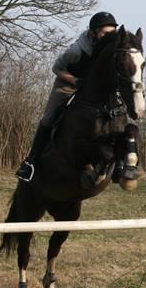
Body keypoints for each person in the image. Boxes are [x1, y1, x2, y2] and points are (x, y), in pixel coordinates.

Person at [15, 12, 119, 182]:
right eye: (105, 33)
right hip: (69, 84)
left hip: (94, 89)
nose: (110, 36)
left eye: (112, 32)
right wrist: (75, 80)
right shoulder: (77, 50)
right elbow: (56, 68)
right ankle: (30, 162)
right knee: (49, 118)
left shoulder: (110, 49)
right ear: (94, 32)